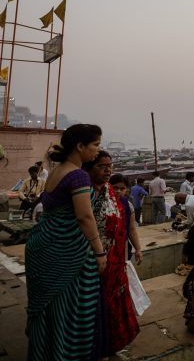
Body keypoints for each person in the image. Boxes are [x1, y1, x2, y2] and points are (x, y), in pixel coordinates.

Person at [25, 124, 106, 360]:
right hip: (64, 255)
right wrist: (100, 253)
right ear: (80, 146)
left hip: (44, 246)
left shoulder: (57, 171)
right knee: (66, 312)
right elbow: (84, 216)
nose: (97, 151)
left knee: (48, 313)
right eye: (95, 146)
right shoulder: (78, 175)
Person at [84, 151, 141, 354]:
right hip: (89, 260)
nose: (108, 170)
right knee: (91, 308)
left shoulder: (114, 197)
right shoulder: (83, 192)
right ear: (89, 167)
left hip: (114, 262)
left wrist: (137, 249)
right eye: (102, 165)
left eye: (110, 165)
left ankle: (110, 344)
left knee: (111, 305)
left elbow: (128, 229)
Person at [110, 174, 144, 266]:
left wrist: (138, 249)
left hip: (122, 248)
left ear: (126, 189)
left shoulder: (128, 205)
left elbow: (131, 229)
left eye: (122, 189)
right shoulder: (103, 204)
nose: (118, 191)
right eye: (115, 188)